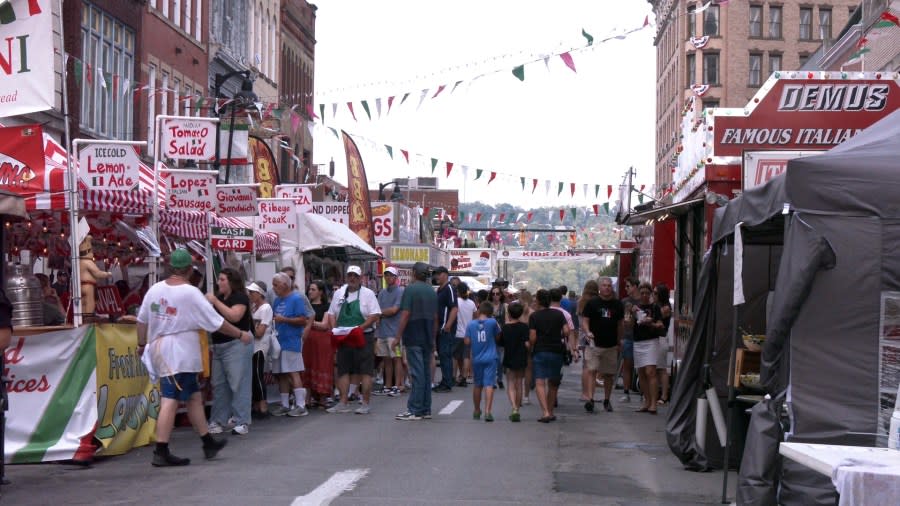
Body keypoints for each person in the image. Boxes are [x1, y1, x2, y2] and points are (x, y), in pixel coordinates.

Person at [137, 249, 246, 467]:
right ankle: (161, 449)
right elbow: (215, 321)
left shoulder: (155, 290)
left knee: (193, 396)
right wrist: (240, 334)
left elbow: (142, 321)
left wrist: (141, 344)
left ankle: (207, 442)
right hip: (179, 352)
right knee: (171, 397)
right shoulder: (190, 293)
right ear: (189, 269)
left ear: (170, 267)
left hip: (162, 347)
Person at [326, 265, 381, 415]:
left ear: (361, 278)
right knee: (343, 369)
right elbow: (331, 313)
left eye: (355, 276)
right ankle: (343, 402)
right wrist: (334, 329)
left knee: (365, 370)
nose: (352, 278)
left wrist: (360, 328)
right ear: (346, 277)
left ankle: (365, 402)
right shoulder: (339, 293)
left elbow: (375, 315)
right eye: (350, 275)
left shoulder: (368, 294)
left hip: (363, 336)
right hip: (344, 336)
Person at [206, 268, 255, 436]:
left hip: (237, 344)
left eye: (222, 279)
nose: (219, 282)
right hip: (219, 345)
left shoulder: (239, 297)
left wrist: (215, 302)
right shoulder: (219, 298)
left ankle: (242, 420)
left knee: (239, 383)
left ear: (231, 282)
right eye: (218, 279)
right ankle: (218, 420)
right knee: (219, 384)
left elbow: (235, 316)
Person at [393, 262, 438, 421]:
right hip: (427, 336)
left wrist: (398, 336)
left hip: (413, 335)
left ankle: (415, 409)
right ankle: (425, 408)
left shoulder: (410, 289)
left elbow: (405, 314)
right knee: (425, 373)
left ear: (414, 273)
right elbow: (435, 318)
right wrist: (433, 339)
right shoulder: (432, 292)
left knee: (417, 373)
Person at [529, 289, 574, 423]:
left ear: (538, 300)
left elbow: (532, 338)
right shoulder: (559, 314)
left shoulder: (534, 316)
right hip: (556, 350)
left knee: (540, 382)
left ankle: (545, 412)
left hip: (540, 350)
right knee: (553, 383)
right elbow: (566, 331)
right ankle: (551, 411)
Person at [269, 272, 310, 418]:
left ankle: (300, 405)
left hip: (291, 340)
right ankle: (285, 404)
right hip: (279, 342)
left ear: (285, 285)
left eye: (275, 284)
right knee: (281, 374)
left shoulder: (296, 299)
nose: (273, 288)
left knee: (293, 372)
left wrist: (284, 319)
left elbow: (303, 319)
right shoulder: (277, 300)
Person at [580, 277, 624, 413]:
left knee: (608, 374)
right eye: (604, 285)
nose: (607, 288)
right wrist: (587, 332)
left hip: (610, 345)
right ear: (600, 288)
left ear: (612, 288)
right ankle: (590, 399)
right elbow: (585, 320)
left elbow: (620, 324)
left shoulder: (617, 305)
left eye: (609, 286)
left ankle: (606, 400)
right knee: (592, 370)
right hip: (594, 344)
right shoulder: (592, 303)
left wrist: (619, 341)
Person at [465, 302, 501, 422]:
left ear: (479, 310)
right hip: (491, 357)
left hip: (477, 358)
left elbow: (467, 342)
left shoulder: (471, 324)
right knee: (489, 384)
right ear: (491, 312)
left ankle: (476, 410)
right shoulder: (493, 322)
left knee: (478, 385)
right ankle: (487, 411)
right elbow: (498, 336)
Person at [301, 280, 335, 408]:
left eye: (313, 289)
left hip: (322, 341)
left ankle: (322, 398)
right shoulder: (305, 306)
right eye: (309, 289)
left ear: (320, 292)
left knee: (321, 366)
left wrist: (309, 322)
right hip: (308, 339)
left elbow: (325, 325)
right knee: (307, 365)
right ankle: (307, 398)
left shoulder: (327, 306)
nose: (310, 292)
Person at [632, 282, 664, 414]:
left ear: (650, 294)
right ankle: (646, 401)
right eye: (642, 293)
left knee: (650, 371)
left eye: (647, 293)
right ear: (639, 294)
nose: (645, 295)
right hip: (638, 341)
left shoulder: (655, 307)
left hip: (651, 341)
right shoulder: (635, 308)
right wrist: (630, 318)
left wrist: (651, 322)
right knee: (641, 372)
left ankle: (653, 403)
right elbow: (629, 325)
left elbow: (661, 325)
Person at [375, 267, 404, 397]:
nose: (388, 278)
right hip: (382, 332)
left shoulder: (400, 291)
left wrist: (380, 313)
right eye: (386, 275)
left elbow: (394, 310)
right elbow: (378, 312)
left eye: (390, 275)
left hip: (394, 332)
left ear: (395, 277)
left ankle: (397, 385)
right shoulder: (381, 293)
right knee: (386, 359)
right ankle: (387, 386)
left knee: (397, 358)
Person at [247, 282, 273, 419]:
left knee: (257, 376)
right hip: (251, 346)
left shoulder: (266, 308)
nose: (250, 295)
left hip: (260, 347)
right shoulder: (253, 308)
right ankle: (257, 404)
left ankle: (263, 405)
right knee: (252, 377)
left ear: (259, 293)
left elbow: (259, 332)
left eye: (252, 292)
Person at [501, 302, 530, 422]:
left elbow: (501, 342)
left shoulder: (505, 328)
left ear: (509, 313)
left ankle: (513, 408)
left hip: (509, 356)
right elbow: (527, 344)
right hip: (521, 357)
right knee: (519, 383)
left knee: (510, 383)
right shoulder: (524, 327)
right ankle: (517, 408)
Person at [433, 266, 458, 393]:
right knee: (443, 356)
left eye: (438, 274)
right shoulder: (439, 290)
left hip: (446, 329)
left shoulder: (449, 289)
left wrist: (448, 325)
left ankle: (448, 383)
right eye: (436, 274)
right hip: (440, 329)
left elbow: (454, 308)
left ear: (445, 275)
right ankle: (445, 380)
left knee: (446, 355)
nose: (436, 277)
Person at [576, 280, 600, 404]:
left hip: (582, 335)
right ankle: (589, 394)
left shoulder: (580, 302)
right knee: (591, 367)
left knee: (585, 366)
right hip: (592, 336)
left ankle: (584, 392)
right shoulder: (596, 302)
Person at [620, 277, 640, 403]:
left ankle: (644, 394)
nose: (626, 289)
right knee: (627, 365)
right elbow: (623, 321)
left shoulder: (643, 301)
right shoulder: (624, 302)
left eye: (628, 286)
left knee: (642, 367)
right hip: (628, 336)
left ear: (635, 287)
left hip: (640, 337)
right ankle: (626, 392)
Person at [454, 283, 477, 387]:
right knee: (466, 356)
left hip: (457, 333)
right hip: (468, 334)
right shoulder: (472, 303)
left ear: (458, 291)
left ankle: (457, 376)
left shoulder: (456, 302)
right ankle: (464, 376)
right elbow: (475, 317)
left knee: (456, 356)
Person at [654, 283, 673, 405]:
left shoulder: (665, 308)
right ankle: (657, 394)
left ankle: (664, 395)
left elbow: (656, 318)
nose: (653, 295)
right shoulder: (657, 306)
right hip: (656, 339)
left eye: (655, 293)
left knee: (661, 369)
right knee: (656, 369)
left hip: (661, 339)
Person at [487, 285, 508, 389]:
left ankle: (499, 378)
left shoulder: (504, 306)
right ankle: (492, 380)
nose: (495, 296)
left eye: (497, 294)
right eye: (493, 293)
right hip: (489, 335)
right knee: (491, 359)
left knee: (500, 359)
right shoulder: (488, 306)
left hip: (501, 335)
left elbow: (507, 321)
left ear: (501, 295)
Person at [517, 290, 536, 406]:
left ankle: (518, 394)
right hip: (529, 343)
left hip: (518, 343)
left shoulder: (516, 313)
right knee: (528, 369)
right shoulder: (533, 313)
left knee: (517, 371)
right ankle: (526, 396)